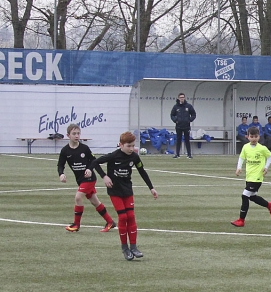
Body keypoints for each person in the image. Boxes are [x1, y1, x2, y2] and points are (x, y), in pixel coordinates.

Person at [90, 131, 158, 261]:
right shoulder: (113, 156)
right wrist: (104, 176)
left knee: (131, 216)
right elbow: (95, 162)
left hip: (127, 190)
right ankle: (125, 248)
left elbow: (142, 171)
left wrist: (151, 188)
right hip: (115, 191)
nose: (131, 149)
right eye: (128, 146)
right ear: (121, 145)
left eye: (133, 146)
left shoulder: (134, 157)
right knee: (123, 217)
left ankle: (134, 247)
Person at [58, 123, 116, 233]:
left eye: (78, 133)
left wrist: (91, 169)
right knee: (95, 202)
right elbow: (60, 164)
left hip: (89, 179)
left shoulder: (84, 148)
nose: (77, 136)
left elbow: (94, 161)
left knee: (78, 197)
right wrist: (61, 174)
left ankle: (76, 224)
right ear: (68, 135)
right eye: (74, 133)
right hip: (80, 180)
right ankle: (110, 222)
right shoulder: (65, 150)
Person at [231, 127, 271, 227]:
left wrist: (266, 167)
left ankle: (241, 220)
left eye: (256, 136)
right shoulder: (245, 147)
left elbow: (270, 156)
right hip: (249, 177)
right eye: (252, 136)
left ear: (259, 137)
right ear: (247, 137)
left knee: (244, 196)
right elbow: (241, 157)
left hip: (257, 177)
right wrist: (239, 168)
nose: (254, 138)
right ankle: (269, 205)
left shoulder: (262, 148)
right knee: (252, 197)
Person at [170, 92, 196, 158]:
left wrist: (189, 120)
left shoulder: (188, 106)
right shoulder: (176, 107)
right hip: (179, 126)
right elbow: (172, 115)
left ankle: (189, 154)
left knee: (187, 140)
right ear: (178, 98)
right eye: (181, 97)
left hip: (186, 126)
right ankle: (177, 154)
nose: (182, 99)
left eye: (183, 97)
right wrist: (175, 120)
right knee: (178, 140)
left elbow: (193, 114)